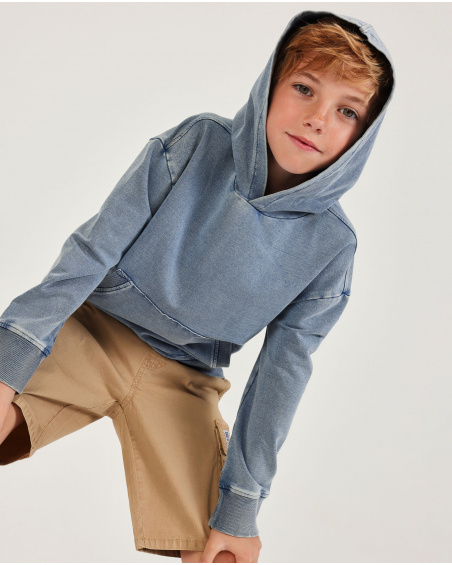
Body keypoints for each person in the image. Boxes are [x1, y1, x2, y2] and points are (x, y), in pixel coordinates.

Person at [0, 9, 394, 563]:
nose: (316, 119)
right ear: (270, 85)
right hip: (92, 329)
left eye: (346, 110)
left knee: (222, 550)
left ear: (363, 135)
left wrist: (242, 504)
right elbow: (90, 252)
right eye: (304, 88)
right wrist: (7, 362)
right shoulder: (199, 142)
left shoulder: (331, 246)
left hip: (186, 376)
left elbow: (280, 375)